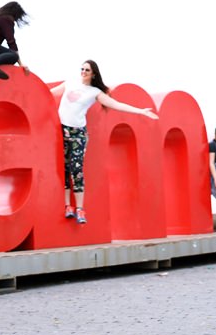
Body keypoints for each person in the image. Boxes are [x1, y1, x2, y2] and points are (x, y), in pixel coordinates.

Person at [50, 60, 158, 224]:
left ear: (93, 74)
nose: (83, 72)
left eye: (87, 70)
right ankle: (67, 206)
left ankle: (80, 209)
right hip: (61, 130)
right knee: (64, 168)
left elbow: (116, 105)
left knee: (76, 169)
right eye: (82, 69)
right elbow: (49, 93)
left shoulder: (95, 92)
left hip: (78, 133)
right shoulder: (70, 83)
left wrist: (140, 111)